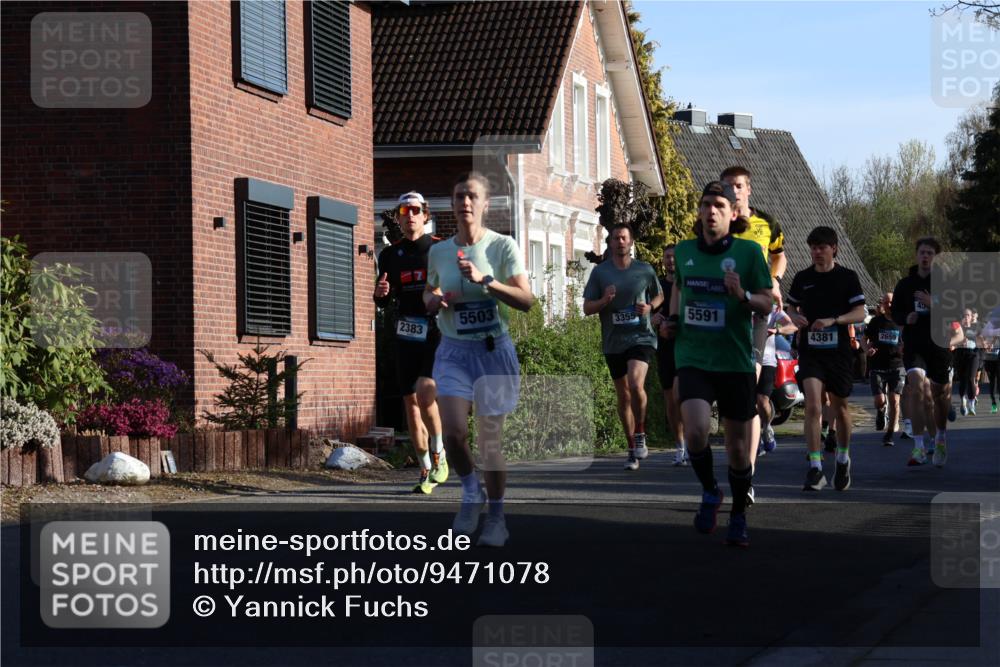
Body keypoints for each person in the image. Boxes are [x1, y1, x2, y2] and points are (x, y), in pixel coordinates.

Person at [423, 172, 534, 547]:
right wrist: (434, 301)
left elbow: (526, 300)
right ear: (452, 204)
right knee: (454, 433)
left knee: (489, 443)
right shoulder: (438, 251)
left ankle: (498, 517)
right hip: (454, 350)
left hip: (493, 351)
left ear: (485, 204)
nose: (464, 202)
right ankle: (472, 493)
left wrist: (488, 281)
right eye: (458, 196)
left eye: (471, 196)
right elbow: (429, 292)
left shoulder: (502, 247)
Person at [665, 181, 772, 547]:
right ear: (700, 212)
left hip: (735, 360)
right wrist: (671, 320)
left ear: (732, 214)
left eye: (719, 206)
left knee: (739, 451)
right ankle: (711, 490)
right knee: (694, 430)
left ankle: (739, 514)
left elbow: (767, 304)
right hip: (693, 355)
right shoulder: (683, 252)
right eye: (706, 204)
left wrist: (741, 294)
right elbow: (679, 287)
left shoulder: (749, 253)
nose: (711, 211)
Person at [374, 192, 447, 494]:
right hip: (405, 331)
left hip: (436, 330)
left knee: (425, 392)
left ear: (425, 216)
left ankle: (440, 454)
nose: (409, 216)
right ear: (400, 217)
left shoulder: (441, 248)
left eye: (415, 210)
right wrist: (381, 293)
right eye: (404, 211)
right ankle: (425, 469)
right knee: (410, 404)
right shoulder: (390, 255)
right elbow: (385, 299)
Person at [787, 226, 867, 492]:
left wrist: (835, 320)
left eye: (821, 248)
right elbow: (791, 305)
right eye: (813, 248)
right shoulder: (802, 278)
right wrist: (795, 316)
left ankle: (843, 459)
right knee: (812, 405)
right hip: (811, 352)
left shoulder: (847, 277)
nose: (816, 253)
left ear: (834, 249)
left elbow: (860, 312)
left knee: (840, 407)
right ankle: (815, 467)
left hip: (839, 353)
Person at [720, 166, 786, 475]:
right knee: (732, 388)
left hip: (757, 307)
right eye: (728, 186)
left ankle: (748, 471)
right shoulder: (720, 225)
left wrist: (774, 279)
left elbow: (780, 254)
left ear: (748, 190)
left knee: (749, 384)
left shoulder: (767, 223)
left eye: (738, 185)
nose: (734, 191)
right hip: (727, 310)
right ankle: (739, 452)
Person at [583, 225, 664, 470]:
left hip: (641, 337)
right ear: (610, 243)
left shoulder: (645, 269)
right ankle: (631, 448)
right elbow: (587, 308)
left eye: (624, 238)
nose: (620, 242)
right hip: (613, 341)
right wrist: (604, 301)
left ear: (631, 243)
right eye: (616, 238)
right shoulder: (600, 273)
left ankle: (640, 431)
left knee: (635, 383)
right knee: (624, 395)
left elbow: (659, 296)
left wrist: (650, 307)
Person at [891, 237, 964, 468]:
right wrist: (906, 318)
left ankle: (940, 437)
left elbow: (958, 312)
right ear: (916, 255)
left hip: (939, 344)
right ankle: (919, 445)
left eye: (930, 253)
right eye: (922, 252)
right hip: (914, 345)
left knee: (941, 396)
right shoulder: (904, 285)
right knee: (916, 388)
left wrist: (932, 303)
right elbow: (895, 313)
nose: (925, 256)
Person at [651, 244, 687, 466]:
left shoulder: (687, 285)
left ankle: (691, 442)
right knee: (670, 400)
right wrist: (653, 319)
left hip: (685, 347)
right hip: (664, 348)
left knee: (679, 395)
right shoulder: (657, 286)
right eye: (667, 257)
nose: (671, 261)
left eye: (674, 257)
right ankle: (680, 445)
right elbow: (648, 312)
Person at [864, 292, 906, 446]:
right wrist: (866, 349)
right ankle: (881, 412)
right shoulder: (876, 322)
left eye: (892, 302)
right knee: (879, 400)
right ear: (882, 304)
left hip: (897, 365)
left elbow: (909, 340)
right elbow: (864, 338)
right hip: (878, 366)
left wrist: (905, 348)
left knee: (894, 400)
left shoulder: (902, 322)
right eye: (886, 302)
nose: (889, 305)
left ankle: (889, 434)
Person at [757, 304, 797, 455]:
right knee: (749, 402)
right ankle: (757, 442)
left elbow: (792, 326)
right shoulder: (741, 303)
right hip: (745, 360)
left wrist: (777, 330)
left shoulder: (773, 309)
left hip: (767, 361)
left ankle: (767, 426)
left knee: (762, 401)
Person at [954, 308, 984, 416]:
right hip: (960, 355)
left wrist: (983, 342)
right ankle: (963, 401)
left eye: (968, 315)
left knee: (971, 378)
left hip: (973, 355)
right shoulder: (957, 327)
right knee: (962, 380)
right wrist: (960, 341)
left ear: (971, 317)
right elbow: (952, 340)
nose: (966, 317)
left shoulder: (977, 327)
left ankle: (971, 403)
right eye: (964, 315)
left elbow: (982, 341)